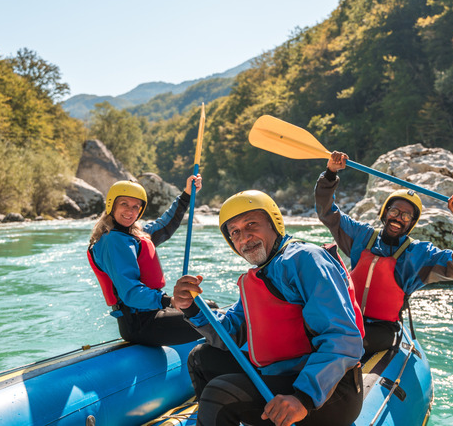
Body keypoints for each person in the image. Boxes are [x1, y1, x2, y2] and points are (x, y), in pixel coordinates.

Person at [173, 190, 365, 426]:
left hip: (329, 390)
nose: (244, 238)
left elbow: (342, 337)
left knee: (219, 394)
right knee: (201, 358)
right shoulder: (262, 273)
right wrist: (191, 308)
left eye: (251, 224)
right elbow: (230, 334)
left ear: (274, 224)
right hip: (280, 374)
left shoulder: (306, 259)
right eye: (235, 232)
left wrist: (302, 399)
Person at [315, 151, 453, 355]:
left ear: (411, 224)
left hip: (381, 329)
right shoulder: (362, 236)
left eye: (406, 216)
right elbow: (327, 212)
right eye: (394, 212)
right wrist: (330, 173)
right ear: (385, 214)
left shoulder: (418, 254)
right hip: (348, 317)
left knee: (347, 342)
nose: (398, 218)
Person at [87, 175, 208, 346]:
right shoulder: (112, 241)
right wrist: (170, 300)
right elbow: (130, 292)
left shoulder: (132, 235)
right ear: (111, 205)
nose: (130, 211)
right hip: (140, 323)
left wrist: (187, 194)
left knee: (206, 308)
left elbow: (165, 225)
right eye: (124, 204)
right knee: (208, 313)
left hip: (151, 314)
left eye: (135, 207)